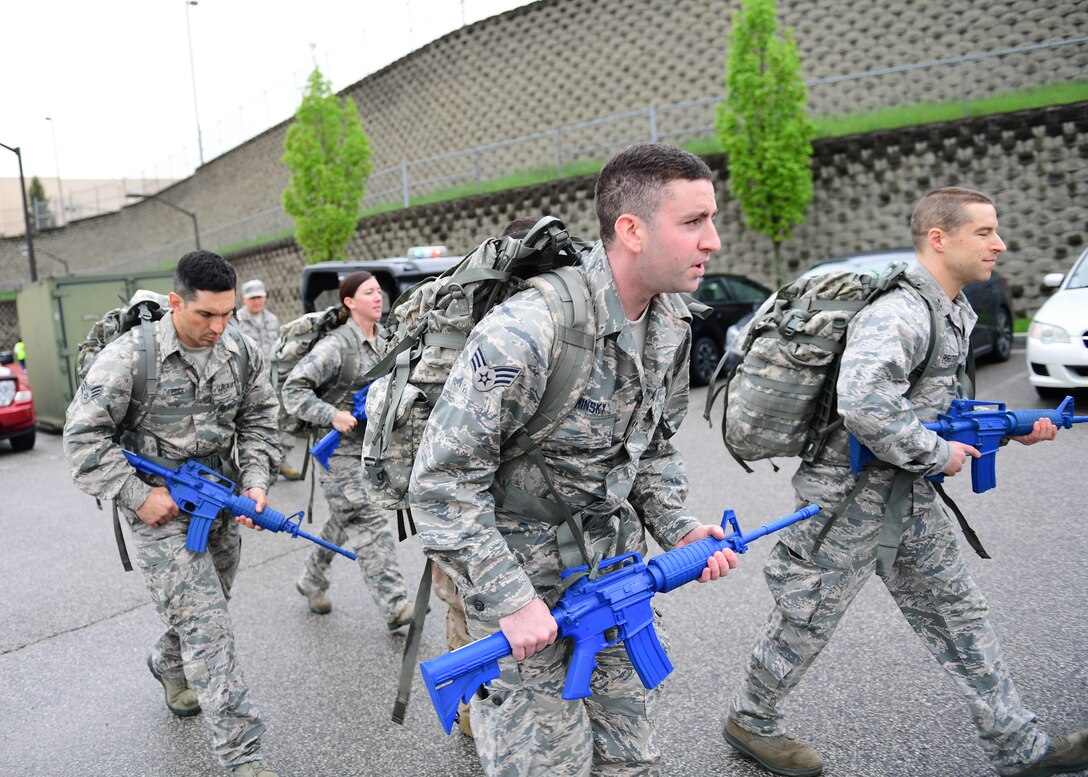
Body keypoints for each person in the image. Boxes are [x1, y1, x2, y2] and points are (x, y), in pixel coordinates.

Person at [723, 187, 1087, 777]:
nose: (1000, 244)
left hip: (906, 496)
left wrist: (1003, 426)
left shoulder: (950, 308)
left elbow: (924, 400)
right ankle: (750, 719)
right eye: (984, 232)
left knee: (959, 612)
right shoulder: (900, 311)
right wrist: (938, 452)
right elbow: (864, 404)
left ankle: (1019, 748)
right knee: (805, 620)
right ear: (939, 239)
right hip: (844, 503)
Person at [410, 142, 740, 775]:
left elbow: (652, 446)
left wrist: (681, 529)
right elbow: (444, 483)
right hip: (522, 589)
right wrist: (513, 600)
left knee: (632, 759)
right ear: (631, 230)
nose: (713, 241)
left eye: (711, 219)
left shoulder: (671, 321)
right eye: (694, 222)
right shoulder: (528, 331)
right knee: (547, 764)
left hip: (614, 577)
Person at [63, 250, 283, 777]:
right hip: (158, 508)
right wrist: (139, 497)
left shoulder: (240, 349)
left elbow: (260, 417)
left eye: (227, 313)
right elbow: (82, 438)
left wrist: (255, 482)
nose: (219, 326)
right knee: (210, 629)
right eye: (206, 315)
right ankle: (244, 758)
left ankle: (166, 662)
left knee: (208, 605)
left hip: (220, 496)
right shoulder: (126, 359)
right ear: (176, 302)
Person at [280, 270, 414, 629]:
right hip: (338, 452)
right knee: (368, 520)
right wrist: (332, 414)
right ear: (349, 302)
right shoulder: (336, 346)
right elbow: (293, 390)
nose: (378, 297)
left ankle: (311, 579)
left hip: (371, 450)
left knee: (344, 517)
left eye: (379, 291)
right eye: (368, 292)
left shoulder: (385, 340)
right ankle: (396, 604)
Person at [236, 278, 302, 481]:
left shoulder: (272, 320)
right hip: (249, 383)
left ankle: (281, 461)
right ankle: (261, 468)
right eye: (252, 298)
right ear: (244, 300)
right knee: (256, 425)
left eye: (259, 297)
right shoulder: (237, 320)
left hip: (274, 380)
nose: (256, 301)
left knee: (282, 421)